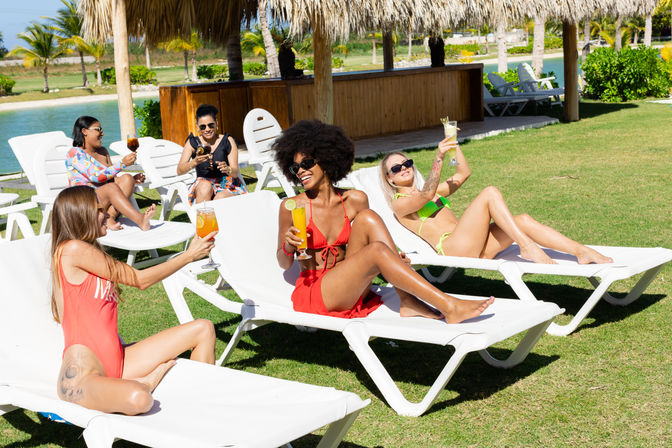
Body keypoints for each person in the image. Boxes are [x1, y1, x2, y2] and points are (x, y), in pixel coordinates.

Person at [274, 120, 493, 324]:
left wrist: (394, 260)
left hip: (352, 283)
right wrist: (288, 245)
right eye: (295, 168)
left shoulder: (354, 199)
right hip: (318, 290)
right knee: (377, 251)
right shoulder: (292, 207)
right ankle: (449, 305)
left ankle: (406, 299)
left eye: (307, 163)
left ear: (327, 159)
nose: (301, 171)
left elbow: (370, 239)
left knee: (369, 218)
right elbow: (284, 263)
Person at [51, 185, 217, 415]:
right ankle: (148, 382)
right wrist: (188, 256)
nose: (107, 215)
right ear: (82, 213)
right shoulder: (72, 249)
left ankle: (202, 406)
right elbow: (139, 279)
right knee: (139, 398)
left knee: (203, 329)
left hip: (119, 360)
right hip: (83, 375)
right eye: (100, 210)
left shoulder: (87, 250)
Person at [379, 139, 613, 264]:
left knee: (521, 220)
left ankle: (581, 251)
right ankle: (527, 246)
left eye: (406, 163)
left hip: (474, 246)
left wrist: (453, 145)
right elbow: (425, 196)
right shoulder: (400, 205)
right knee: (489, 193)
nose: (404, 169)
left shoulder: (434, 191)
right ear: (389, 179)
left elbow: (462, 174)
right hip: (453, 248)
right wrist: (438, 156)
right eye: (396, 168)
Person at [66, 116, 154, 231]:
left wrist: (133, 180)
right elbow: (96, 177)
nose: (102, 134)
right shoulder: (75, 153)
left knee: (126, 178)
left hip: (102, 200)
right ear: (84, 131)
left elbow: (112, 179)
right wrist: (122, 163)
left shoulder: (103, 152)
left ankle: (109, 218)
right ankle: (140, 219)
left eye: (102, 130)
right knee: (111, 187)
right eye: (98, 130)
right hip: (83, 201)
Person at [177, 104, 248, 205]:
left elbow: (235, 172)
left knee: (220, 197)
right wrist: (194, 162)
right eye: (203, 127)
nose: (207, 129)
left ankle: (210, 219)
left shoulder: (227, 141)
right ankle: (203, 218)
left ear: (216, 123)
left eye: (211, 125)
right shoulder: (192, 143)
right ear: (197, 127)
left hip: (227, 185)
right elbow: (179, 170)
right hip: (203, 184)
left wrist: (228, 169)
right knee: (205, 187)